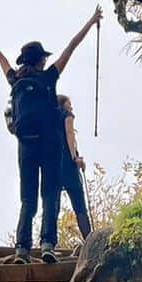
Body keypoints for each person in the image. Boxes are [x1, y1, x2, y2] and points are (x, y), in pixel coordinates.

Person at [0, 8, 101, 264]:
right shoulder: (49, 76)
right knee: (49, 195)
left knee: (27, 197)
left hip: (26, 145)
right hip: (50, 146)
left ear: (24, 61)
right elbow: (72, 47)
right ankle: (48, 245)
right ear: (41, 60)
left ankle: (22, 249)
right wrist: (92, 21)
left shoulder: (15, 79)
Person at [57, 94, 92, 241]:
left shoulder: (49, 120)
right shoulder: (67, 115)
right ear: (63, 105)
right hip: (68, 164)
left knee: (53, 205)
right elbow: (70, 134)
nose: (71, 107)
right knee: (79, 204)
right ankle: (89, 240)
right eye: (69, 104)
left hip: (53, 165)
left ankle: (49, 243)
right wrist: (75, 158)